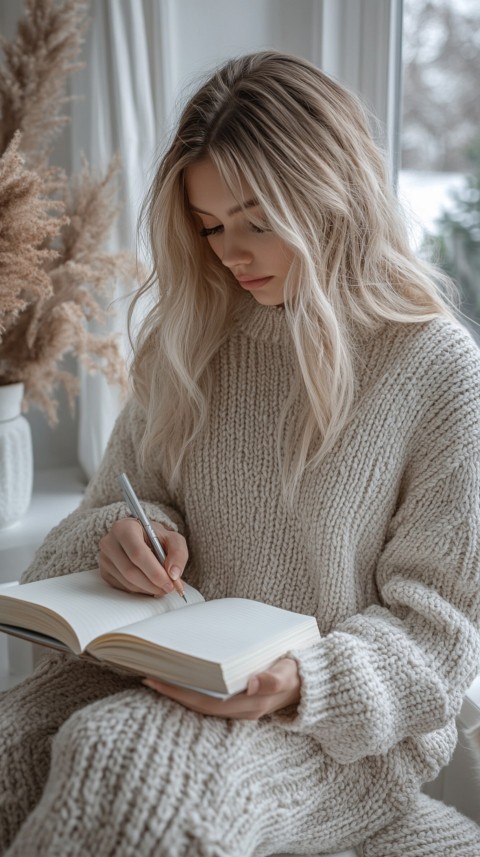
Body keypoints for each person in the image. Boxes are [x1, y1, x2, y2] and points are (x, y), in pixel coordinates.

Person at [1, 50, 480, 857]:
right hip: (158, 670)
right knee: (11, 751)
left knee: (127, 766)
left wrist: (302, 682)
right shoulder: (191, 338)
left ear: (332, 197)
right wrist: (131, 532)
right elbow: (124, 500)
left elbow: (440, 633)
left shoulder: (436, 369)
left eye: (258, 221)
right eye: (211, 226)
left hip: (328, 726)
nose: (231, 253)